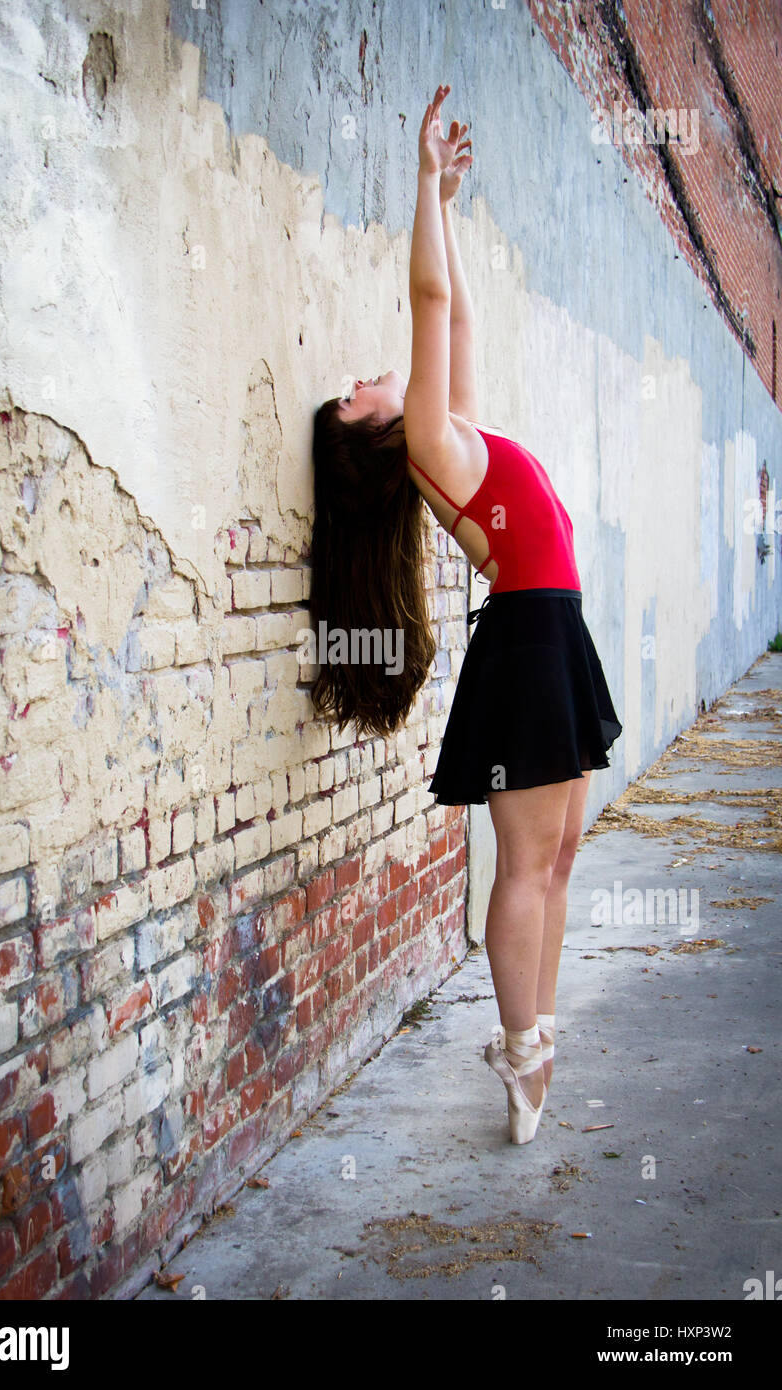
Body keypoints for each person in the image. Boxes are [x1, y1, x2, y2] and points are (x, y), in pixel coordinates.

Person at [310, 84, 623, 1144]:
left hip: (554, 634)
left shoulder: (453, 435)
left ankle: (536, 1039)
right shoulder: (428, 448)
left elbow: (463, 313)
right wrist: (415, 183)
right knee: (526, 863)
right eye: (353, 392)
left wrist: (446, 194)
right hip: (531, 644)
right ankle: (521, 1052)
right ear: (370, 435)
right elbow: (430, 306)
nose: (363, 379)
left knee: (560, 856)